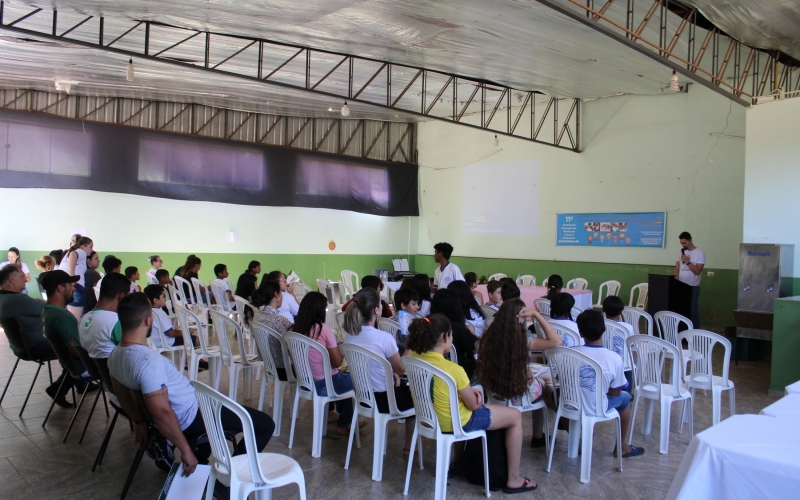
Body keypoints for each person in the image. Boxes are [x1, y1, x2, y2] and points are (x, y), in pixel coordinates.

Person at [108, 292, 275, 479]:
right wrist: (185, 450)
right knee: (264, 425)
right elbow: (161, 412)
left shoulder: (115, 355)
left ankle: (199, 461)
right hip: (192, 415)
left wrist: (139, 421)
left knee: (220, 406)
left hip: (191, 408)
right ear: (148, 321)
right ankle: (231, 475)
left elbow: (121, 393)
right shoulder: (149, 362)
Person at [406, 314, 538, 493]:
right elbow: (474, 406)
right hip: (458, 422)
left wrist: (462, 395)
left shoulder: (412, 359)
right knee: (514, 416)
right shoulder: (453, 369)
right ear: (446, 337)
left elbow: (437, 391)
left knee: (459, 406)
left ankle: (456, 462)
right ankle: (514, 478)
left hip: (429, 419)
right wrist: (474, 396)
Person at [478, 299, 562, 448]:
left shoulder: (487, 337)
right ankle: (541, 431)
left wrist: (525, 368)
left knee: (541, 378)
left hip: (493, 390)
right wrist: (536, 314)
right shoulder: (524, 341)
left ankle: (557, 412)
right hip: (515, 394)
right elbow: (556, 341)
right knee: (544, 383)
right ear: (521, 318)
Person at [343, 288, 414, 453]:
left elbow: (374, 363)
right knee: (417, 397)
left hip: (363, 397)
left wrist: (391, 372)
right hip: (385, 400)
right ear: (376, 310)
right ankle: (409, 448)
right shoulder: (384, 338)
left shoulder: (349, 336)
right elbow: (402, 370)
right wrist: (410, 345)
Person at [573, 310, 644, 458]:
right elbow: (615, 392)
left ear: (580, 332)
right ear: (604, 329)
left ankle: (578, 442)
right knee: (625, 397)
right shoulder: (614, 358)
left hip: (572, 405)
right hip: (596, 406)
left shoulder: (569, 353)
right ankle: (621, 447)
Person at [0, 266, 74, 407]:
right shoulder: (17, 300)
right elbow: (51, 308)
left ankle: (78, 383)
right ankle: (59, 389)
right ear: (12, 278)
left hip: (20, 347)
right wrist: (40, 302)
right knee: (77, 351)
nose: (26, 279)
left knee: (71, 349)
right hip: (36, 346)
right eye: (22, 276)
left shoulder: (4, 298)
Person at [293, 291, 360, 437]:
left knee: (344, 380)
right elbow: (336, 363)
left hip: (305, 382)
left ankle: (346, 420)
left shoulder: (293, 330)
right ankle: (344, 423)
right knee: (355, 380)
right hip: (325, 384)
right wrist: (340, 349)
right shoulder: (324, 330)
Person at [40, 270, 97, 403]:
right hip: (82, 368)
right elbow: (77, 352)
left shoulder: (47, 310)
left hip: (69, 366)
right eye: (70, 284)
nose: (74, 287)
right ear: (60, 288)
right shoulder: (62, 317)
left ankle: (58, 388)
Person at [430, 289, 479, 381]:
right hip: (460, 375)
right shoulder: (458, 329)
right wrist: (472, 333)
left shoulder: (427, 325)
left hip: (431, 374)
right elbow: (476, 347)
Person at [79, 272, 129, 360]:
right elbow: (133, 353)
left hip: (97, 372)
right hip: (117, 371)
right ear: (121, 296)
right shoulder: (116, 321)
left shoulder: (83, 319)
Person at [251, 280, 293, 382]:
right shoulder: (279, 320)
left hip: (269, 367)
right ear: (276, 294)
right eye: (281, 293)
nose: (282, 296)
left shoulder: (257, 316)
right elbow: (292, 345)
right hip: (285, 370)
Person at [144, 285, 197, 349]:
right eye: (163, 297)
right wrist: (187, 331)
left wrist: (175, 328)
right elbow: (171, 333)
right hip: (168, 342)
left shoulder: (148, 311)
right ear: (156, 300)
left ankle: (189, 358)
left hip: (154, 342)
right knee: (196, 340)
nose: (165, 299)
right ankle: (195, 358)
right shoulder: (160, 313)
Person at [602, 295, 634, 391]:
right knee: (626, 396)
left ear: (603, 309)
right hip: (624, 366)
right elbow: (631, 346)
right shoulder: (628, 327)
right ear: (621, 311)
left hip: (605, 365)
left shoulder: (599, 324)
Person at [674, 231, 705, 328]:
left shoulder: (699, 253)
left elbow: (698, 271)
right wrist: (675, 278)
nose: (683, 245)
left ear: (690, 240)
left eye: (685, 243)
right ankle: (682, 330)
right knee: (681, 309)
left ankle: (696, 332)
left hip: (692, 286)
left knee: (693, 310)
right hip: (681, 285)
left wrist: (687, 262)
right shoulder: (681, 252)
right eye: (681, 243)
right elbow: (677, 266)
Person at [59, 237, 94, 320]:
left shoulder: (72, 253)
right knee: (75, 320)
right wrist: (72, 277)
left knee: (69, 318)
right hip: (77, 286)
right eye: (90, 247)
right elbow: (73, 255)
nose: (92, 250)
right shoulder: (81, 252)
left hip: (71, 286)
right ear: (83, 246)